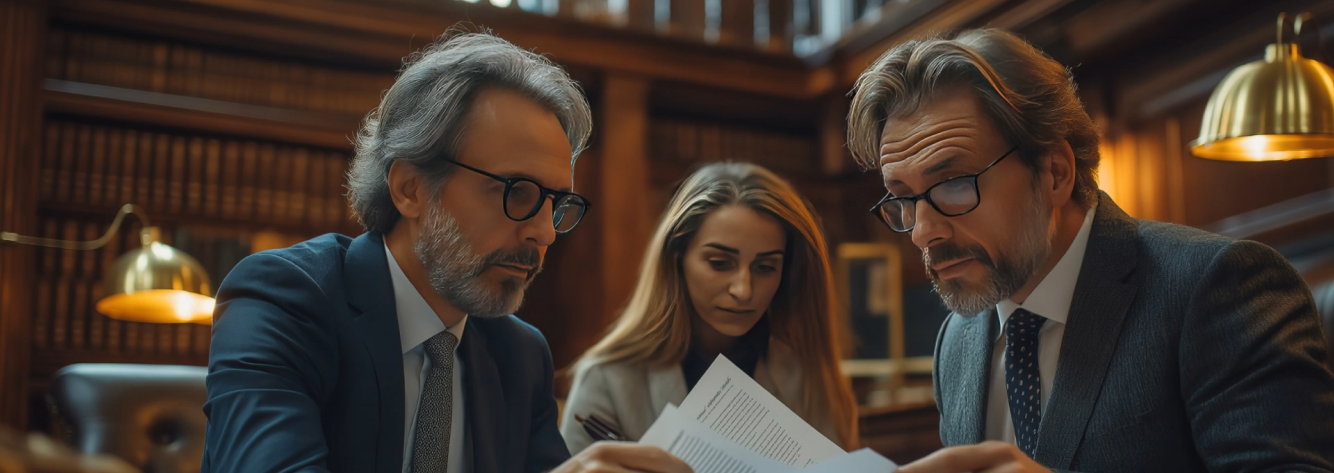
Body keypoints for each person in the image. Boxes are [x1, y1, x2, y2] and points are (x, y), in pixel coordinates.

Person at [845, 28, 1334, 472]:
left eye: (953, 183)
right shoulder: (955, 342)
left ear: (1056, 173)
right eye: (903, 199)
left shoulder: (1217, 287)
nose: (922, 232)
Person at [201, 31, 691, 473]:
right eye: (517, 191)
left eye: (557, 204)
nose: (545, 233)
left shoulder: (521, 358)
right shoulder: (284, 301)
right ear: (410, 189)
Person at [560, 162, 859, 454]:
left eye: (765, 267)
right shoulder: (607, 380)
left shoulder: (810, 378)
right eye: (720, 263)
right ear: (677, 258)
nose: (743, 290)